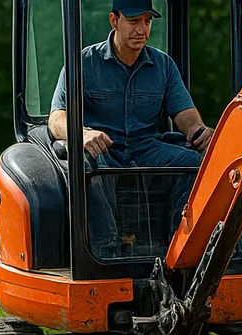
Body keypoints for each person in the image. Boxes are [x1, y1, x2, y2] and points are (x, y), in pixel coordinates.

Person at [49, 0, 214, 259]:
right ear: (114, 20)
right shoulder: (83, 63)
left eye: (147, 21)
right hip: (103, 150)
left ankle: (179, 245)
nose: (142, 29)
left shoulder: (163, 65)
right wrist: (83, 133)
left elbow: (185, 115)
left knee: (194, 162)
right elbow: (56, 118)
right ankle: (106, 251)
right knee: (84, 165)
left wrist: (198, 131)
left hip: (146, 148)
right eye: (134, 21)